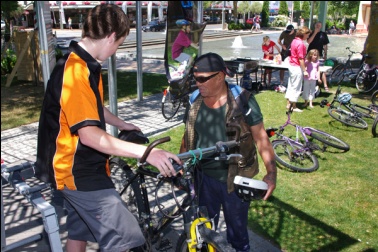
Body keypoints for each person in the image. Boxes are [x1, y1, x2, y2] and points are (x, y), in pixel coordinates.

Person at [35, 4, 181, 252]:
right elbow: (90, 136)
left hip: (75, 166)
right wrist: (148, 153)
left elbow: (90, 107)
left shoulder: (83, 62)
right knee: (128, 238)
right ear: (112, 36)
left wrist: (121, 123)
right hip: (76, 171)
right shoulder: (75, 70)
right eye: (119, 44)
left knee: (79, 230)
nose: (115, 51)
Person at [180, 52, 277, 251]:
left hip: (236, 179)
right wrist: (182, 163)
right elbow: (189, 133)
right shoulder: (194, 99)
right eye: (195, 78)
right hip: (203, 177)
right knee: (202, 228)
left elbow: (261, 138)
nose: (197, 83)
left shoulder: (243, 101)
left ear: (220, 76)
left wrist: (271, 173)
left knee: (237, 233)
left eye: (202, 79)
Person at [285, 26, 312, 112]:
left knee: (291, 84)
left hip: (292, 65)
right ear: (304, 34)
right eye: (307, 35)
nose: (308, 36)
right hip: (296, 66)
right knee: (296, 86)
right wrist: (304, 71)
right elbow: (300, 59)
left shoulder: (294, 40)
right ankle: (294, 106)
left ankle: (288, 103)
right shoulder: (300, 44)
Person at [307, 21, 330, 92]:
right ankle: (309, 83)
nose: (318, 27)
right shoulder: (311, 33)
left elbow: (325, 45)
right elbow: (308, 42)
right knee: (310, 68)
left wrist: (325, 54)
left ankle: (325, 85)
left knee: (321, 69)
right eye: (317, 25)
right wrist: (315, 33)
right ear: (314, 26)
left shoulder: (323, 34)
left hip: (319, 54)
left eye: (319, 26)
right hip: (310, 54)